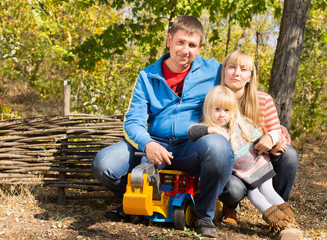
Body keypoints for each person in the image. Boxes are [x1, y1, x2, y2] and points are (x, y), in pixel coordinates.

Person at [91, 15, 234, 238]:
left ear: (200, 47)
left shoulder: (213, 70)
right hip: (154, 143)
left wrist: (272, 127)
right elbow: (133, 121)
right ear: (169, 40)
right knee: (104, 164)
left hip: (193, 145)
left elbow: (243, 89)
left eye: (192, 45)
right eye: (180, 42)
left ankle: (203, 215)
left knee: (219, 148)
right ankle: (136, 200)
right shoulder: (148, 76)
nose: (185, 50)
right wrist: (147, 144)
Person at [188, 86, 302, 239]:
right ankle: (280, 223)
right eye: (217, 109)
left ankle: (289, 223)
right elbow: (192, 132)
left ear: (233, 111)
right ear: (208, 109)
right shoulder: (211, 129)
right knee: (255, 196)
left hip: (259, 165)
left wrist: (272, 148)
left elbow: (258, 140)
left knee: (269, 191)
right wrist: (211, 130)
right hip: (243, 176)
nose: (222, 115)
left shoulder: (240, 125)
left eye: (227, 110)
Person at [218, 51, 299, 225]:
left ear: (250, 76)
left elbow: (278, 131)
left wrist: (271, 138)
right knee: (233, 189)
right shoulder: (216, 100)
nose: (236, 73)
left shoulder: (263, 100)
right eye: (231, 67)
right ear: (223, 71)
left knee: (289, 155)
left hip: (259, 160)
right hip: (232, 164)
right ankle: (230, 205)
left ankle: (276, 210)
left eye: (243, 69)